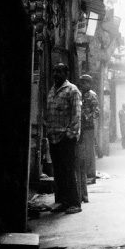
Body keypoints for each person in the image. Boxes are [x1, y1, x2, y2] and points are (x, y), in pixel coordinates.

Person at [44, 62, 83, 213]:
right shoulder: (52, 90)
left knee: (68, 170)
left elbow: (76, 116)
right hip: (53, 137)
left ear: (66, 74)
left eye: (59, 72)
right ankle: (61, 201)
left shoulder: (72, 90)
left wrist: (70, 135)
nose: (56, 74)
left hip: (66, 138)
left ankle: (74, 203)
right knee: (58, 172)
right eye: (54, 71)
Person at [78, 74, 99, 188]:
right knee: (82, 152)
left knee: (89, 151)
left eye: (84, 82)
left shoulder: (92, 95)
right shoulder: (80, 95)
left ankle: (91, 176)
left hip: (89, 127)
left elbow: (96, 112)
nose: (82, 84)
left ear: (89, 84)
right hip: (80, 127)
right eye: (81, 82)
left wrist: (87, 116)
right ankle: (85, 175)